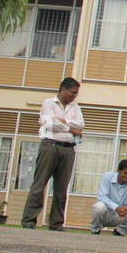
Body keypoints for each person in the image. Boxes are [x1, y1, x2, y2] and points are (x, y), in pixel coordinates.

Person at [20, 78, 85, 230]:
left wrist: (64, 121)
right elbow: (49, 123)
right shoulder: (48, 103)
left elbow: (81, 125)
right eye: (72, 92)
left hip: (68, 148)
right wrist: (70, 128)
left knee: (61, 188)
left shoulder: (75, 107)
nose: (74, 96)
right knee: (40, 183)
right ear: (63, 89)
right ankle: (29, 220)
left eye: (76, 93)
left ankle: (56, 223)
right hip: (50, 145)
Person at [91, 159, 127, 236]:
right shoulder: (108, 176)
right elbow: (102, 197)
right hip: (106, 214)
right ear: (118, 170)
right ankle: (95, 230)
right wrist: (116, 207)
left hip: (121, 216)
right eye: (125, 173)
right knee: (99, 206)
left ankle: (119, 232)